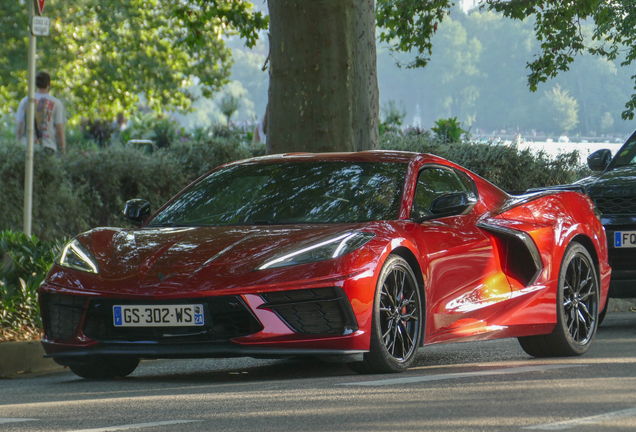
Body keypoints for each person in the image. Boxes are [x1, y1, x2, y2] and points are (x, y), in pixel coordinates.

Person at [15, 71, 66, 155]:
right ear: (49, 84)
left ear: (35, 83)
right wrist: (63, 151)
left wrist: (18, 145)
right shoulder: (56, 103)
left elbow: (19, 126)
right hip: (48, 147)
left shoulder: (25, 101)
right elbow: (59, 130)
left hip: (27, 146)